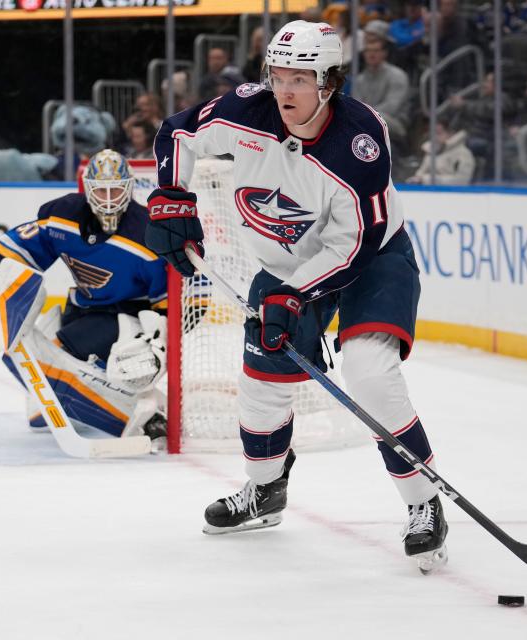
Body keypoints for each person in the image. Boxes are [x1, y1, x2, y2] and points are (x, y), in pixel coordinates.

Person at [145, 20, 448, 571]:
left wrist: (294, 295)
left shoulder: (359, 142)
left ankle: (424, 502)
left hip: (371, 259)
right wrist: (171, 195)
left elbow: (353, 244)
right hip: (285, 264)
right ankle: (265, 490)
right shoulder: (247, 110)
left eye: (300, 78)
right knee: (260, 381)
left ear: (328, 82)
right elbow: (177, 132)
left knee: (368, 373)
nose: (284, 90)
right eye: (278, 75)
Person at [0, 149, 169, 443]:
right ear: (87, 190)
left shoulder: (147, 235)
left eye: (115, 190)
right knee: (36, 390)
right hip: (80, 309)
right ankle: (101, 395)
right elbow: (12, 249)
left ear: (129, 189)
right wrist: (3, 289)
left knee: (46, 362)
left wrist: (159, 339)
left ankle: (141, 417)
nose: (108, 199)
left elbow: (173, 302)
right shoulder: (64, 216)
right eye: (100, 191)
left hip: (125, 318)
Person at [407, 115, 475, 185]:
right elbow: (420, 174)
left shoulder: (463, 154)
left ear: (450, 133)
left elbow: (462, 181)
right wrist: (417, 179)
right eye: (432, 133)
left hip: (453, 194)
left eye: (439, 133)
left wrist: (427, 179)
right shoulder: (430, 151)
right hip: (429, 193)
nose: (435, 137)